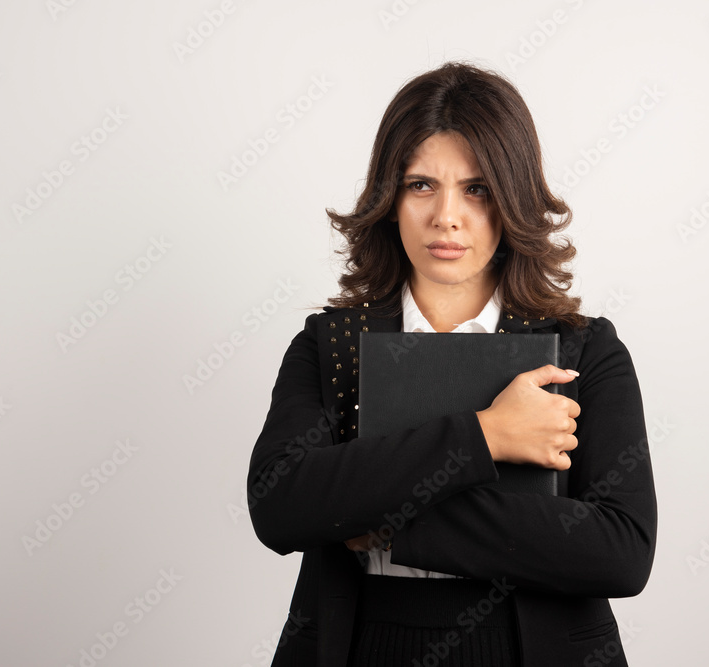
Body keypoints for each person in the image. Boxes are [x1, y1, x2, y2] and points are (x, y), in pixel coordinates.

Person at [247, 61, 657, 667]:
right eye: (420, 185)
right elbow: (280, 506)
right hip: (361, 647)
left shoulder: (583, 351)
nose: (447, 216)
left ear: (512, 199)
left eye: (477, 188)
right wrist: (486, 435)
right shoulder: (331, 345)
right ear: (389, 199)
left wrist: (387, 523)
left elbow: (620, 552)